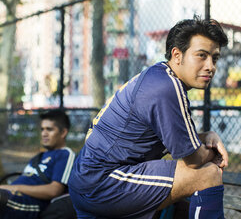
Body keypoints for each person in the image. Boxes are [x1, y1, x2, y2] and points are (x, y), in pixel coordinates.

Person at [68, 15, 229, 219]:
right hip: (103, 183)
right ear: (177, 55)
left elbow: (182, 141)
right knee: (208, 174)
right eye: (201, 55)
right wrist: (212, 152)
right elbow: (194, 160)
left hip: (88, 180)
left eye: (214, 58)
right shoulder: (167, 88)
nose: (210, 66)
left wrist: (205, 137)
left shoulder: (157, 76)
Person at [0, 109, 76, 218]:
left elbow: (54, 190)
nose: (44, 133)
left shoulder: (65, 154)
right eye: (42, 129)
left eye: (49, 129)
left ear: (63, 132)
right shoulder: (38, 157)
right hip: (11, 197)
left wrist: (14, 188)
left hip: (29, 204)